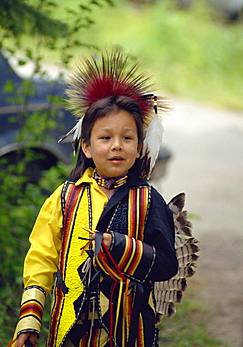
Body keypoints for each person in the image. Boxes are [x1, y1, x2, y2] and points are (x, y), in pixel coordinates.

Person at [14, 49, 178, 347]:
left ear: (139, 148)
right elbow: (41, 259)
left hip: (129, 331)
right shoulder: (65, 198)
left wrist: (118, 245)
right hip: (70, 331)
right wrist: (29, 321)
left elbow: (167, 264)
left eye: (127, 138)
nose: (117, 146)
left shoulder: (148, 200)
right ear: (86, 147)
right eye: (105, 138)